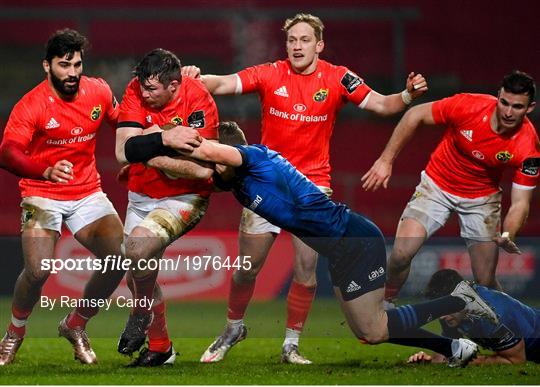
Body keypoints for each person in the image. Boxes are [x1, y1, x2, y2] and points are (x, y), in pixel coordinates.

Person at [142, 120, 505, 368]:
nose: (211, 171)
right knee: (370, 331)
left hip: (355, 240)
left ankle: (459, 301)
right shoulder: (235, 181)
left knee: (375, 328)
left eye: (214, 160)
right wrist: (152, 144)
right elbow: (190, 168)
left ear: (225, 152)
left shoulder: (252, 157)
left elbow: (206, 154)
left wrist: (160, 140)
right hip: (342, 248)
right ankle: (455, 347)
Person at [182, 13, 428, 364]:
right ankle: (233, 327)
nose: (297, 46)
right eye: (292, 40)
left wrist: (406, 94)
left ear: (319, 45)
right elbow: (222, 84)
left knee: (305, 270)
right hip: (265, 184)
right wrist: (195, 77)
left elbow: (382, 104)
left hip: (313, 186)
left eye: (304, 40)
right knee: (247, 268)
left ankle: (290, 346)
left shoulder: (338, 77)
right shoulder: (270, 73)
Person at [0, 29, 125, 365]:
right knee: (38, 270)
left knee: (119, 258)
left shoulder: (97, 91)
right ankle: (14, 332)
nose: (72, 72)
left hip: (86, 191)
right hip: (42, 192)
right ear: (47, 66)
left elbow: (123, 123)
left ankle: (75, 324)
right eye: (64, 64)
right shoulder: (32, 104)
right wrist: (44, 170)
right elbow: (8, 152)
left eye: (77, 64)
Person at [362, 71, 539, 304]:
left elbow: (520, 203)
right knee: (401, 254)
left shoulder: (529, 147)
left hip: (482, 200)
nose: (507, 111)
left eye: (517, 107)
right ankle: (385, 303)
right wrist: (385, 160)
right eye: (504, 102)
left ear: (530, 108)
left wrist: (508, 234)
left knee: (485, 280)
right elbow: (415, 114)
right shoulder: (468, 106)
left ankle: (510, 328)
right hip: (436, 186)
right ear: (498, 96)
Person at [114, 48, 218, 367]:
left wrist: (148, 145)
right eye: (142, 87)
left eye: (152, 90)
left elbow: (203, 169)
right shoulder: (135, 89)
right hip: (141, 194)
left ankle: (140, 313)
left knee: (137, 248)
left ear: (174, 86)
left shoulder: (198, 100)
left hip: (184, 197)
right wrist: (167, 140)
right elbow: (123, 151)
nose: (144, 94)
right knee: (136, 275)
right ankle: (161, 348)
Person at [407, 269, 540, 365]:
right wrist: (428, 361)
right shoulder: (449, 311)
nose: (441, 318)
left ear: (462, 298)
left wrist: (470, 360)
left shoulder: (493, 316)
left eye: (444, 309)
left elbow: (516, 360)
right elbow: (448, 350)